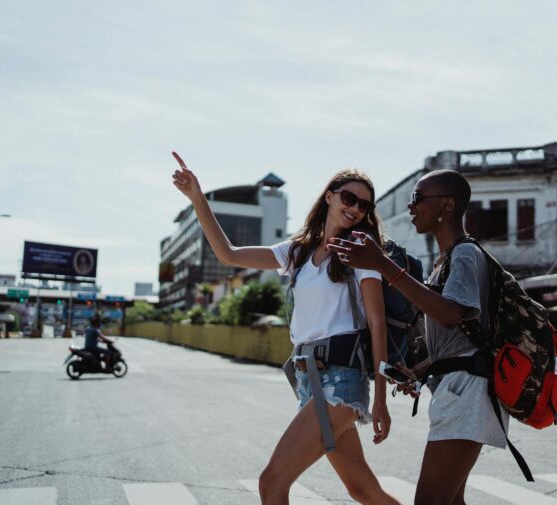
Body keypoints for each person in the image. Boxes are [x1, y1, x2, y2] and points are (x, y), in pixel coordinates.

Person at [171, 152, 399, 505]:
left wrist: (381, 398)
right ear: (330, 196)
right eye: (349, 198)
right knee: (364, 491)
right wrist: (199, 200)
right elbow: (229, 255)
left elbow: (377, 322)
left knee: (271, 483)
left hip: (341, 379)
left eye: (364, 206)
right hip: (308, 380)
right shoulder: (298, 251)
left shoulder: (360, 252)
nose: (355, 209)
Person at [328, 169, 509, 505]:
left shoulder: (465, 254)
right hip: (457, 387)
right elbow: (463, 336)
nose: (411, 207)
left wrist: (383, 265)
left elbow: (451, 313)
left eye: (417, 198)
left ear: (447, 205)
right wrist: (423, 367)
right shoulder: (444, 260)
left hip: (468, 392)